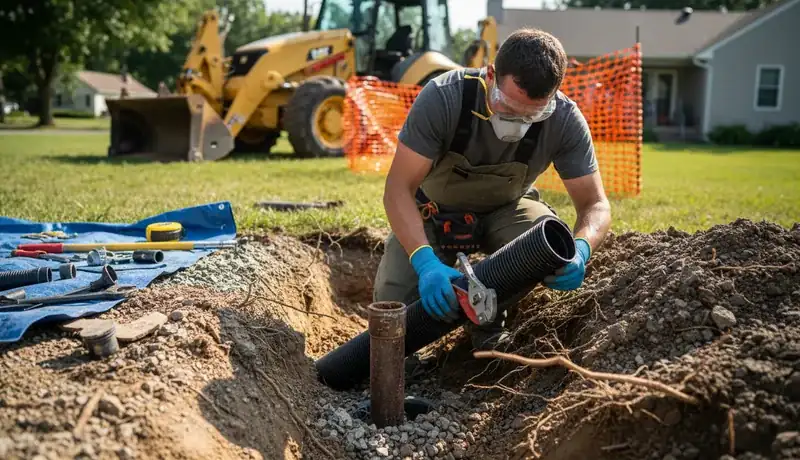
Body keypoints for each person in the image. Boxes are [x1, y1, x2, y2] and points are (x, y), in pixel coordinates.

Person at [372, 28, 612, 350]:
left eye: (534, 114)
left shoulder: (565, 120)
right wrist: (425, 262)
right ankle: (402, 366)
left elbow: (595, 205)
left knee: (545, 240)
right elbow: (398, 188)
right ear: (491, 74)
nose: (517, 124)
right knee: (394, 298)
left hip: (507, 208)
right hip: (431, 209)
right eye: (507, 108)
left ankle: (489, 330)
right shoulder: (444, 97)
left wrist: (581, 251)